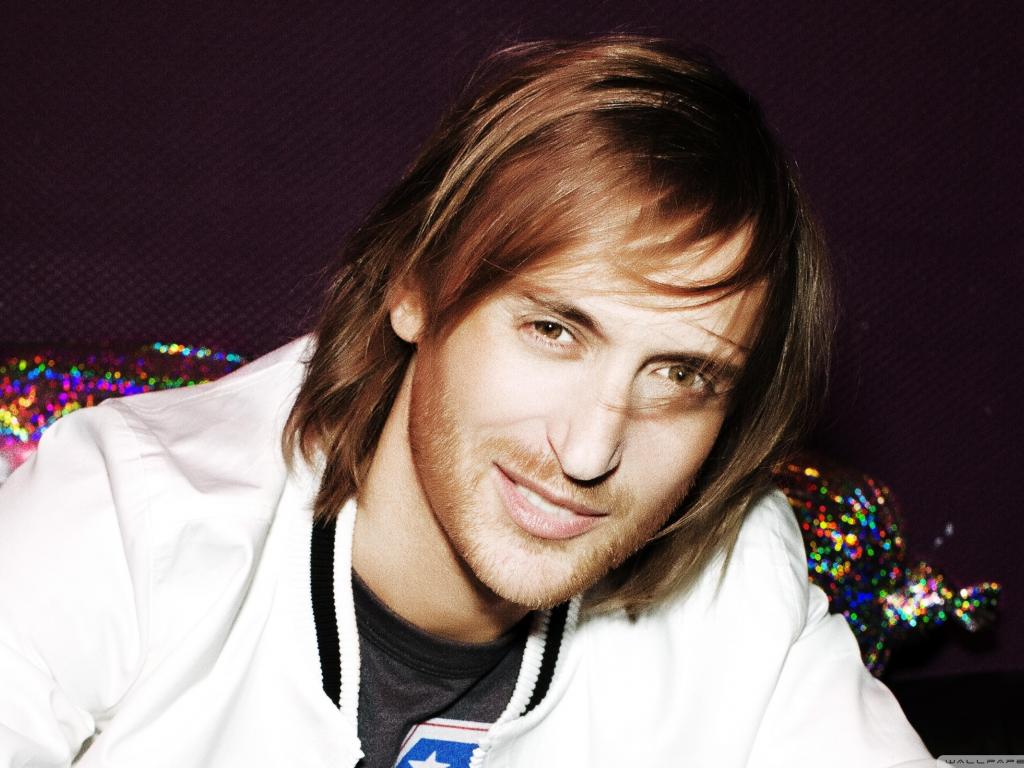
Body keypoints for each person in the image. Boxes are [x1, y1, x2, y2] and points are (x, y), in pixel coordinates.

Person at [0, 37, 932, 767]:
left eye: (680, 376)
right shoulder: (125, 519)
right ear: (413, 283)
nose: (589, 452)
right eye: (553, 330)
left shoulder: (740, 581)